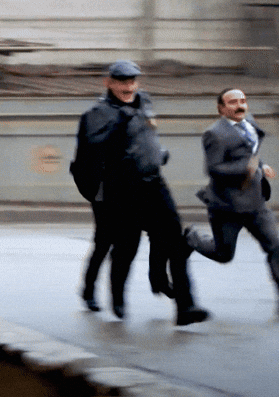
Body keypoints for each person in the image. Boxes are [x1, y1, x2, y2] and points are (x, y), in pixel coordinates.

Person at [70, 59, 209, 325]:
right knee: (124, 245)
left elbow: (147, 133)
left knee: (173, 239)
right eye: (122, 81)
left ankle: (185, 306)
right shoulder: (98, 113)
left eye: (132, 81)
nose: (128, 86)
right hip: (121, 189)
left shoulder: (144, 100)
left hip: (154, 182)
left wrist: (157, 154)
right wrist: (117, 125)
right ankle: (115, 296)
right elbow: (92, 148)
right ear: (108, 83)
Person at [185, 88, 279, 312]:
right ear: (221, 109)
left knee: (275, 246)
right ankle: (191, 237)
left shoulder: (250, 123)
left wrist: (261, 165)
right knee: (223, 255)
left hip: (256, 203)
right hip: (228, 206)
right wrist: (246, 169)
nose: (240, 105)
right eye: (233, 102)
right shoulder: (214, 134)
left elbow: (250, 152)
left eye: (243, 100)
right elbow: (214, 169)